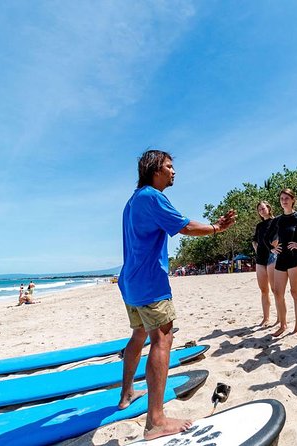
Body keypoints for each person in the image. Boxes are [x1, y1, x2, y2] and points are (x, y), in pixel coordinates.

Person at [117, 149, 236, 441]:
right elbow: (184, 227)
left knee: (138, 336)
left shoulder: (131, 202)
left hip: (130, 283)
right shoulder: (152, 197)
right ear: (155, 169)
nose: (174, 171)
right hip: (150, 284)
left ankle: (127, 393)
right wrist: (217, 228)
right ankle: (155, 420)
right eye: (170, 166)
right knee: (162, 339)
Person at [266, 188, 297, 337]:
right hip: (281, 259)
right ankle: (283, 325)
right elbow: (266, 238)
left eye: (287, 198)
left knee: (295, 292)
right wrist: (272, 249)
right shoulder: (277, 220)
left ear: (293, 200)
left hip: (295, 258)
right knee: (278, 293)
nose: (284, 201)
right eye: (281, 199)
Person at [252, 201, 277, 327]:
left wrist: (274, 248)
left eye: (263, 208)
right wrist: (256, 248)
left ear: (268, 208)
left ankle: (279, 318)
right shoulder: (259, 226)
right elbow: (254, 240)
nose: (261, 210)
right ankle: (266, 318)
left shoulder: (276, 221)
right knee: (263, 290)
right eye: (259, 209)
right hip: (260, 258)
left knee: (275, 289)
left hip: (272, 257)